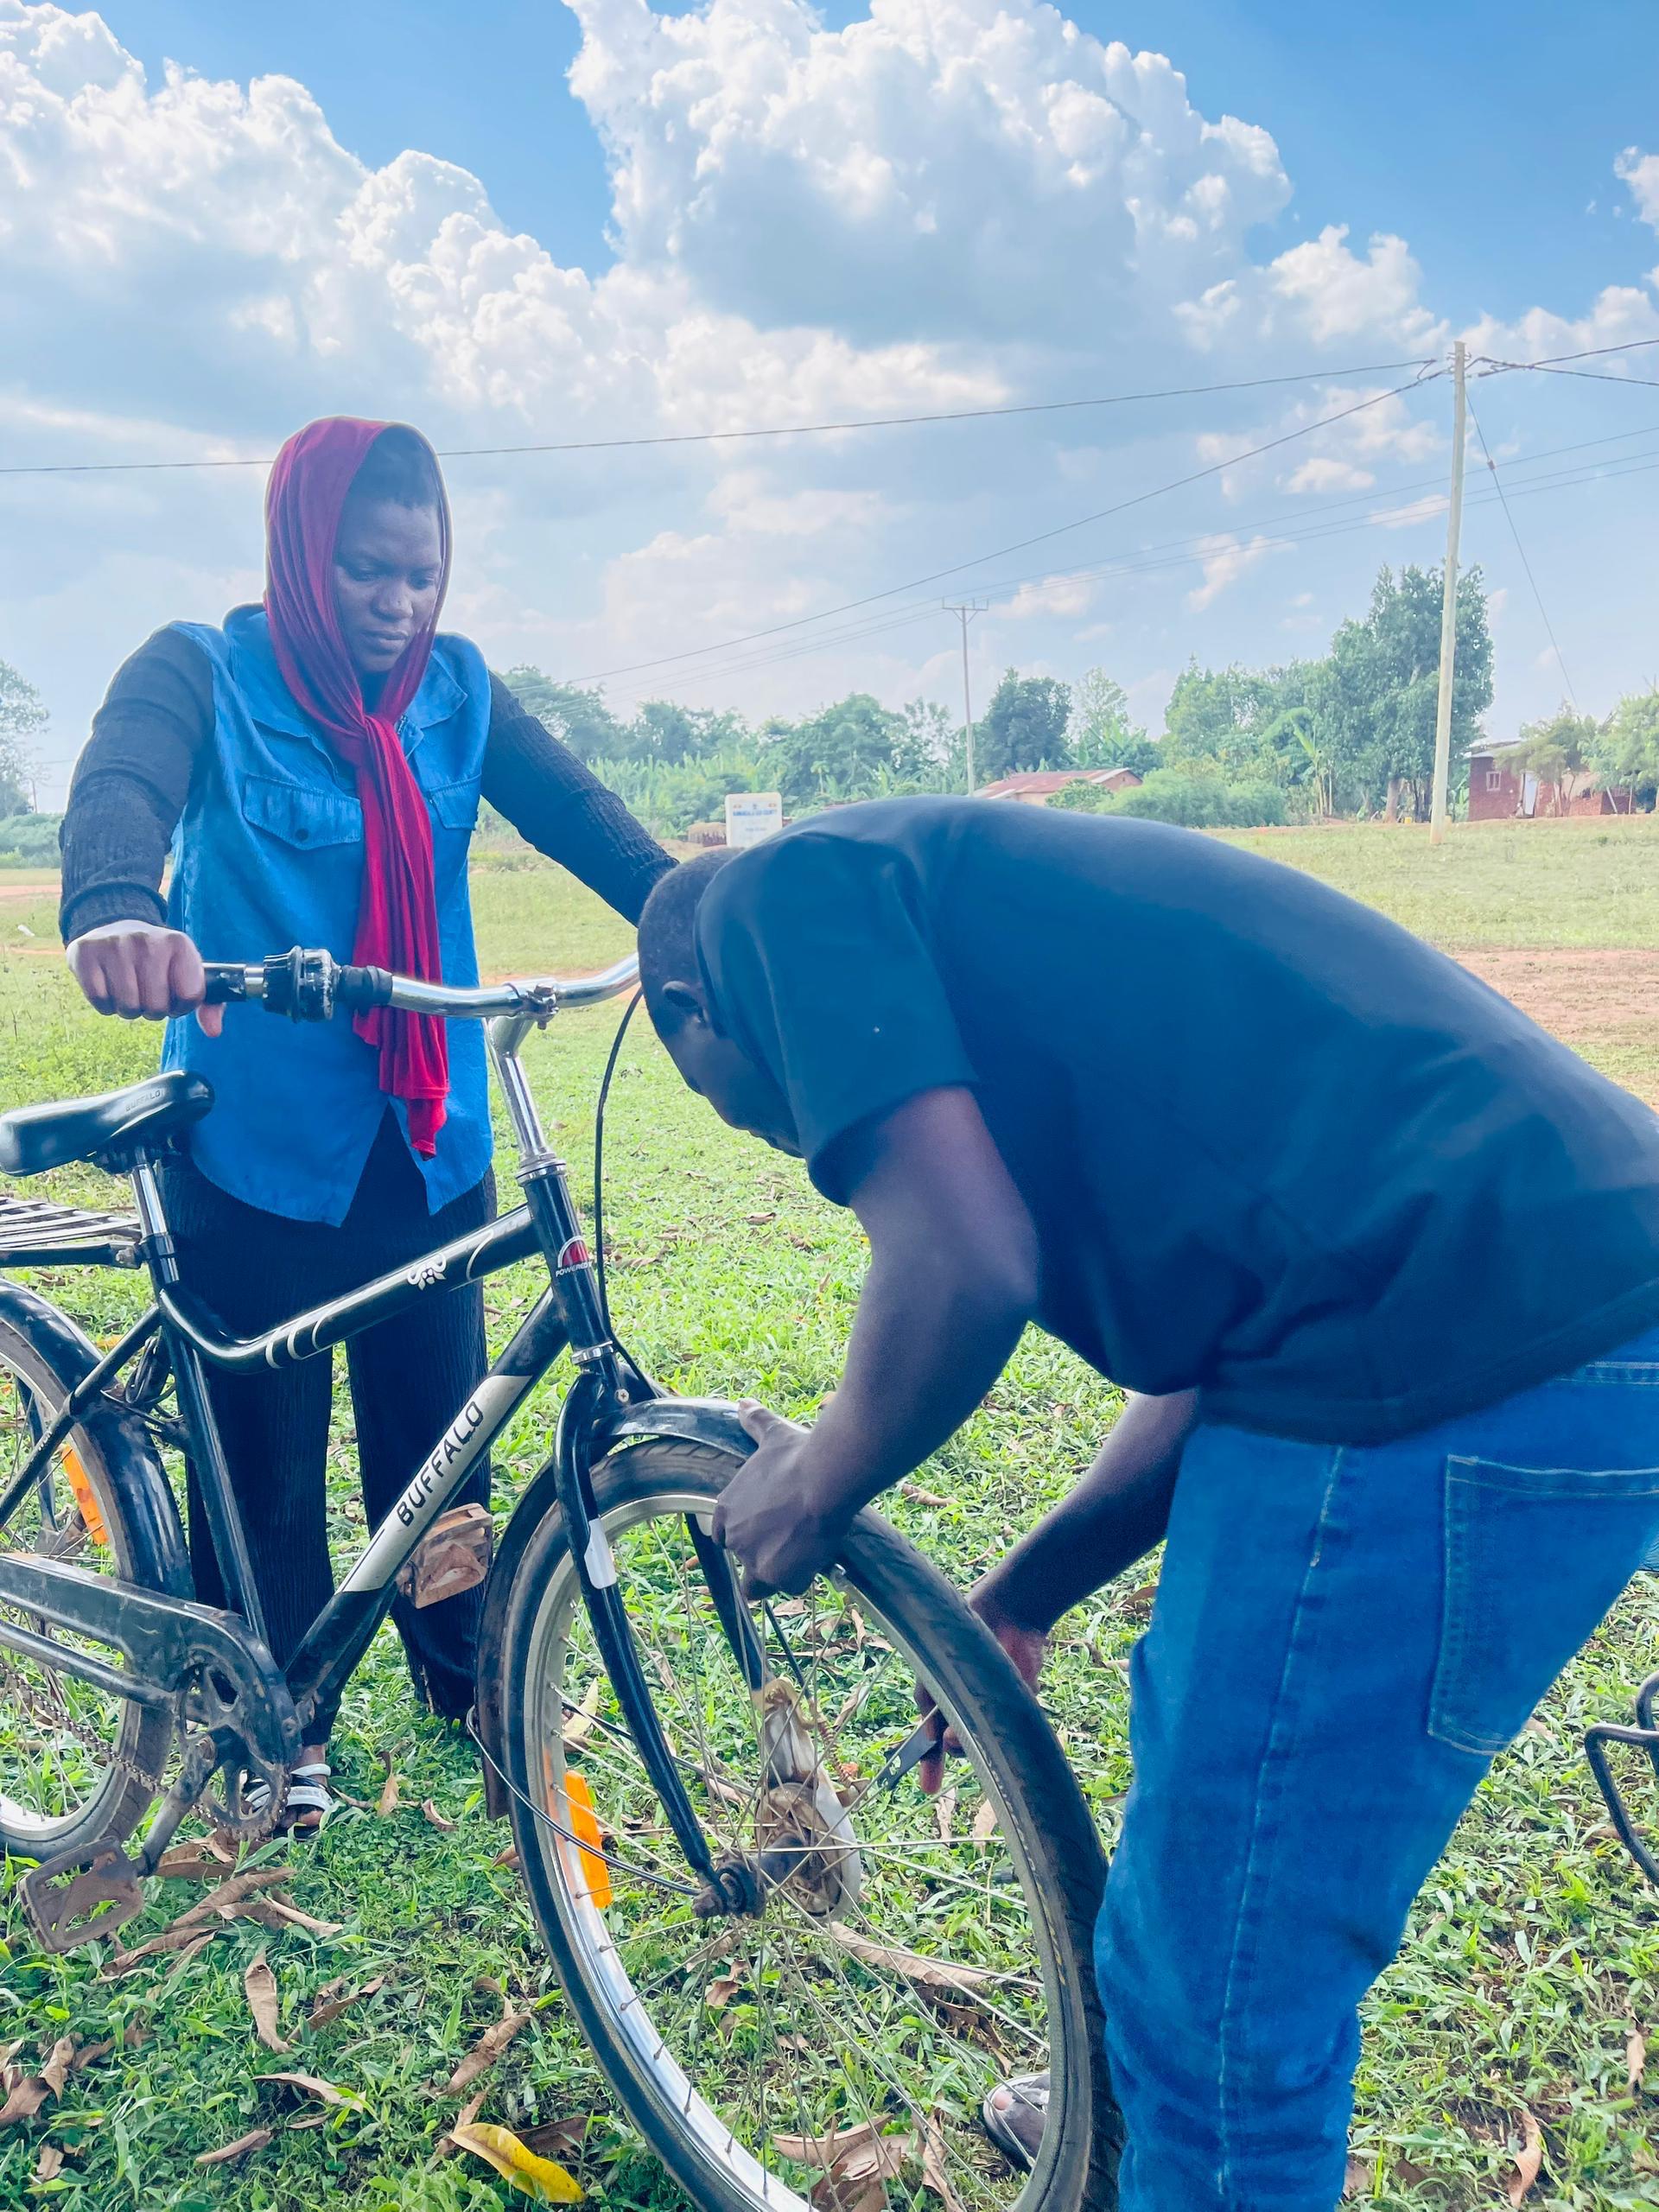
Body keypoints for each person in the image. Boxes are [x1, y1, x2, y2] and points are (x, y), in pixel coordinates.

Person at [634, 795, 1659, 2212]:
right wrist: (1026, 1592)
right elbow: (1217, 1365)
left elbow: (964, 1262)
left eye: (722, 1096)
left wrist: (819, 1478)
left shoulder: (772, 900)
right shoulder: (981, 942)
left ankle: (1199, 2102)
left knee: (1223, 1996)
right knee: (1209, 1875)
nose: (783, 1142)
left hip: (1463, 1340)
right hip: (1541, 1293)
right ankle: (1178, 2098)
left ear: (693, 1010)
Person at [60, 416, 671, 1831]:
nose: (396, 606)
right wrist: (116, 909)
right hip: (257, 1143)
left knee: (440, 1436)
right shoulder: (200, 670)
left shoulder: (458, 693)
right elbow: (122, 785)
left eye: (419, 572)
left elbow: (587, 819)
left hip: (427, 1129)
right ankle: (273, 1730)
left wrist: (698, 912)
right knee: (265, 1459)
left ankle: (464, 1683)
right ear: (298, 550)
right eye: (362, 569)